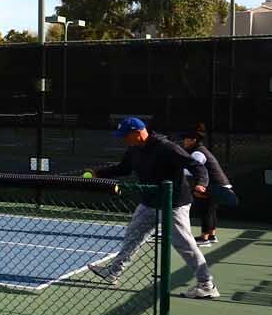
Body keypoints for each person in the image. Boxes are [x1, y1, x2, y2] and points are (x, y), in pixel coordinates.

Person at [85, 117, 216, 298]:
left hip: (173, 204)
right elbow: (124, 168)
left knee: (184, 244)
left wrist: (201, 184)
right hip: (149, 203)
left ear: (138, 133)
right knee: (133, 235)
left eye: (126, 136)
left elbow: (195, 165)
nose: (124, 139)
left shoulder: (167, 148)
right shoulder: (134, 149)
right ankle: (113, 272)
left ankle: (206, 284)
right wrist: (98, 173)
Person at [180, 126, 232, 245]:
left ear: (194, 140)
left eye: (186, 139)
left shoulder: (198, 152)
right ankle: (212, 235)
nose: (184, 141)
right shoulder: (201, 150)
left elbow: (193, 169)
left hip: (214, 185)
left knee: (206, 210)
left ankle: (204, 238)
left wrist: (176, 170)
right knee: (211, 210)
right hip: (221, 184)